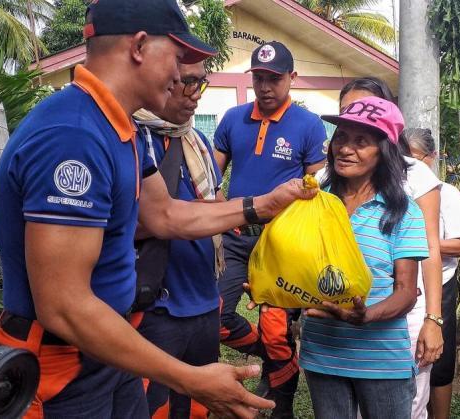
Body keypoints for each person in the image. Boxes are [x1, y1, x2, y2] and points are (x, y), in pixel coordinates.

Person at [0, 1, 315, 418]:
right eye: (177, 58)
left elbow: (165, 214)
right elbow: (64, 305)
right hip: (61, 365)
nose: (181, 75)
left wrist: (261, 205)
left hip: (110, 349)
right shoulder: (73, 135)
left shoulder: (122, 129)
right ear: (140, 46)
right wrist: (188, 377)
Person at [214, 41, 327, 417]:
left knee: (278, 332)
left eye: (274, 79)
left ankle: (281, 408)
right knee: (214, 317)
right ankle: (273, 357)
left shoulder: (309, 125)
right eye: (259, 78)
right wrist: (215, 211)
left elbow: (318, 192)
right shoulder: (232, 118)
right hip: (232, 238)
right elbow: (209, 176)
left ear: (291, 78)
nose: (265, 86)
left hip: (280, 245)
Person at [300, 96, 429, 419]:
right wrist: (272, 284)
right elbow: (300, 265)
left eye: (361, 141)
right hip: (322, 355)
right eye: (341, 136)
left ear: (383, 151)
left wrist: (366, 316)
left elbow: (405, 292)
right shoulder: (314, 202)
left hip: (382, 360)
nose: (345, 148)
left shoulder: (403, 212)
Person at [336, 77, 444, 419]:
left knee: (408, 406)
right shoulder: (332, 177)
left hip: (402, 318)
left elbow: (429, 250)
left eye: (366, 116)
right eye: (345, 115)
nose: (349, 138)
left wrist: (433, 319)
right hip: (334, 330)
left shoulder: (417, 177)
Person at [131, 60, 224, 418]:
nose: (195, 94)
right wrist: (253, 207)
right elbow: (142, 221)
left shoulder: (197, 140)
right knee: (156, 407)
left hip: (202, 302)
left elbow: (212, 205)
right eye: (186, 82)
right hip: (157, 308)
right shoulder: (135, 138)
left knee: (199, 407)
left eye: (201, 83)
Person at [403, 128, 460, 419]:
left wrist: (414, 242)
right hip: (405, 286)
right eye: (403, 156)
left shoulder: (446, 193)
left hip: (439, 284)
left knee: (438, 363)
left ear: (431, 158)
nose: (409, 164)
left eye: (415, 157)